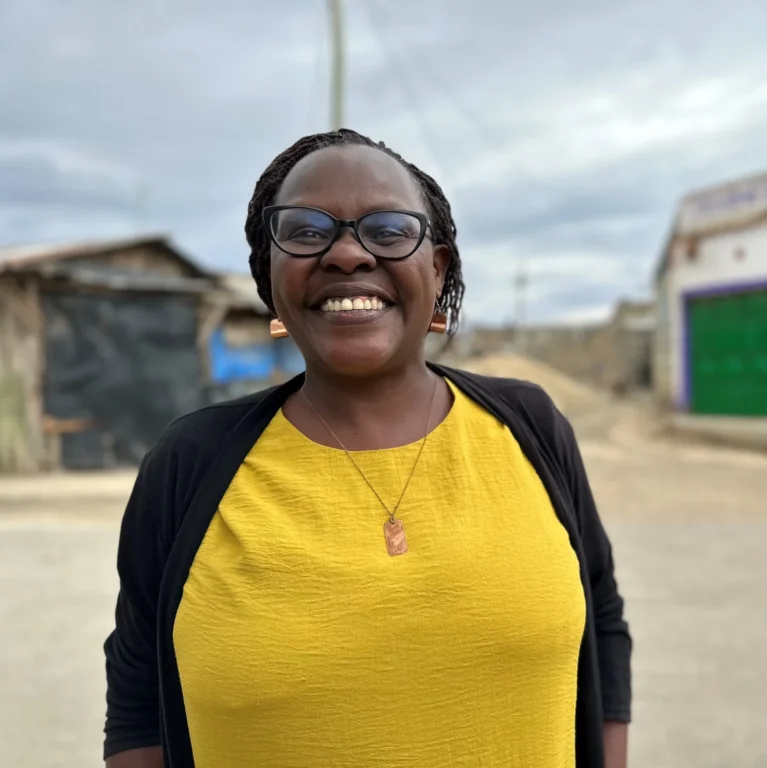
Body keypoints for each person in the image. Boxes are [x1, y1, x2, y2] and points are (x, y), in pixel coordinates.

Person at [102, 129, 632, 768]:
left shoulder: (531, 427)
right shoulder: (189, 464)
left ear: (436, 270)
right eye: (304, 230)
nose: (348, 254)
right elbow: (138, 698)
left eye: (387, 230)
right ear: (269, 277)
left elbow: (601, 623)